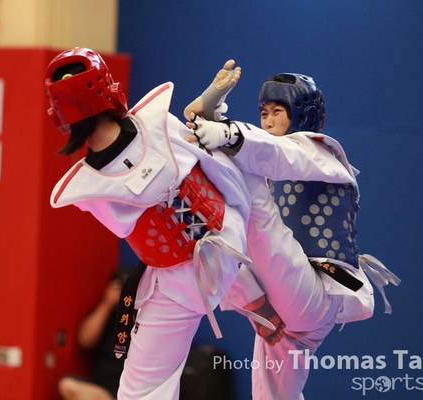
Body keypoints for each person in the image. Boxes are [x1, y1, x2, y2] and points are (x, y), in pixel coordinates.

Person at [43, 48, 264, 400]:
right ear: (107, 87)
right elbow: (211, 158)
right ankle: (263, 305)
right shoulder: (157, 122)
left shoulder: (89, 189)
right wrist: (206, 114)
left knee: (140, 392)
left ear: (62, 113)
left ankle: (258, 301)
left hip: (185, 284)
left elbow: (127, 221)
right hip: (233, 234)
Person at [184, 62, 400, 399]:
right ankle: (211, 121)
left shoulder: (322, 154)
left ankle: (215, 125)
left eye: (277, 111)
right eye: (263, 113)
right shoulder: (266, 161)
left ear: (302, 116)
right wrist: (254, 304)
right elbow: (261, 157)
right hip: (288, 314)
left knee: (249, 198)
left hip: (319, 291)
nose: (268, 120)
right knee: (218, 231)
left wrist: (228, 134)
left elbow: (278, 154)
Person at [58, 267, 132, 400]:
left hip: (134, 390)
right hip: (103, 389)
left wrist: (134, 307)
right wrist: (106, 303)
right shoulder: (107, 314)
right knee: (67, 384)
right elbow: (85, 341)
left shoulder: (147, 319)